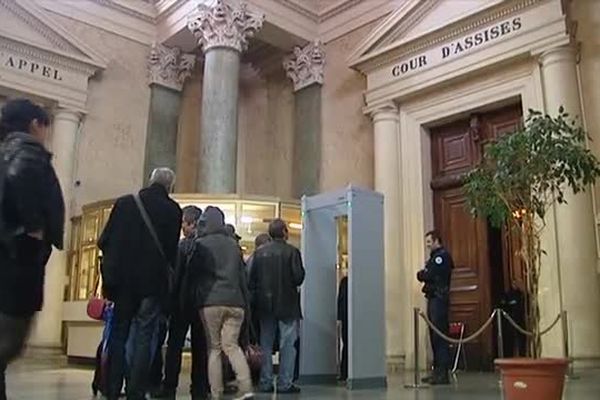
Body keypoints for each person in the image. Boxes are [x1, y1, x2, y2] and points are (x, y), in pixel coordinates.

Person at [0, 99, 65, 400]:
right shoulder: (27, 154)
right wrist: (35, 231)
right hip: (17, 263)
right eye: (44, 127)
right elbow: (21, 185)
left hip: (10, 257)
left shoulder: (6, 152)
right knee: (9, 340)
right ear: (34, 125)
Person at [99, 168, 182, 400]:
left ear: (150, 181)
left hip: (122, 283)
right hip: (152, 284)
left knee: (118, 334)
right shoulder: (173, 210)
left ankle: (112, 388)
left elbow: (104, 240)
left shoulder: (125, 204)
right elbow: (170, 252)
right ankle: (136, 390)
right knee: (145, 336)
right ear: (170, 187)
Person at [189, 207, 253, 400]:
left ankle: (216, 393)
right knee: (232, 346)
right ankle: (246, 386)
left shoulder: (201, 244)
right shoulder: (233, 245)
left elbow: (194, 274)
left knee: (215, 348)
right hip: (236, 302)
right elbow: (242, 277)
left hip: (211, 301)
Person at [155, 205, 210, 400]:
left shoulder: (181, 247)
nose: (182, 228)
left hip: (181, 303)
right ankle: (199, 389)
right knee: (200, 348)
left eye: (184, 224)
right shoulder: (207, 247)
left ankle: (169, 387)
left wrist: (170, 300)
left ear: (192, 223)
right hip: (201, 303)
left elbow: (175, 277)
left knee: (174, 346)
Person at [250, 219, 305, 394]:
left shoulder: (259, 254)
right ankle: (284, 383)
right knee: (288, 345)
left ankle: (265, 381)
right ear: (284, 232)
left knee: (265, 344)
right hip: (288, 305)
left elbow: (251, 279)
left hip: (265, 306)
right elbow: (298, 277)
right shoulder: (292, 252)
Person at [416, 230, 453, 385]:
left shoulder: (441, 257)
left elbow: (428, 275)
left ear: (437, 241)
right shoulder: (434, 257)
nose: (427, 245)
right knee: (434, 337)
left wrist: (424, 274)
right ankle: (437, 371)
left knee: (439, 336)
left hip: (439, 299)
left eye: (429, 242)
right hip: (433, 299)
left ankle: (442, 373)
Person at [337, 274, 348, 381]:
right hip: (347, 317)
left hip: (345, 317)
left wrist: (339, 317)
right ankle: (344, 371)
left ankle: (344, 372)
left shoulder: (344, 282)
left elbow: (340, 300)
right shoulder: (345, 282)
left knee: (346, 345)